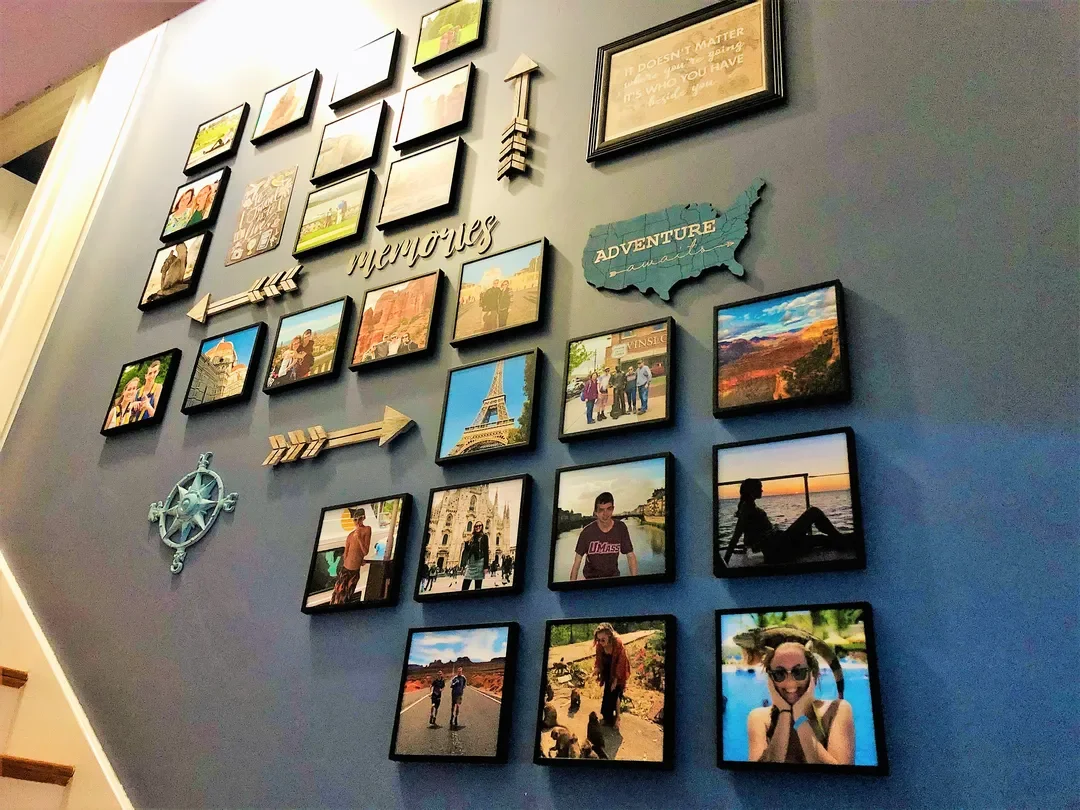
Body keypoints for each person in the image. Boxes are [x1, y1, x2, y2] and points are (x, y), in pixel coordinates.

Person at [746, 641, 855, 764]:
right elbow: (760, 777)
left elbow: (840, 778)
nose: (790, 683)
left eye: (799, 672)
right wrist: (785, 712)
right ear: (770, 678)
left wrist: (799, 716)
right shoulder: (759, 718)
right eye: (779, 674)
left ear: (812, 674)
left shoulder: (836, 710)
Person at [722, 478, 850, 565]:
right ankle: (843, 540)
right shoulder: (747, 508)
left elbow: (749, 534)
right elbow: (737, 534)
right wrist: (725, 561)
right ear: (751, 490)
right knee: (813, 512)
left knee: (820, 539)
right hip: (778, 546)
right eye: (760, 487)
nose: (762, 490)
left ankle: (843, 540)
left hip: (779, 544)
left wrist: (745, 548)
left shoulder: (748, 506)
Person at [569, 492, 638, 580]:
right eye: (601, 510)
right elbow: (576, 563)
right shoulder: (586, 533)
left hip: (613, 579)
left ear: (613, 509)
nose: (605, 514)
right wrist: (571, 589)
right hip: (591, 580)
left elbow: (630, 556)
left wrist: (634, 582)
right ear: (596, 512)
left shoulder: (620, 528)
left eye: (609, 509)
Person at [593, 623, 630, 730]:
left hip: (619, 671)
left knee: (616, 694)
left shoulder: (618, 644)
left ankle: (617, 718)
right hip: (608, 669)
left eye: (602, 639)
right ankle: (607, 717)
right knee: (607, 693)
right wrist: (597, 669)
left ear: (609, 635)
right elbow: (598, 659)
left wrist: (615, 680)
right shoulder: (599, 645)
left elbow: (621, 663)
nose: (600, 642)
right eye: (598, 639)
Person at [330, 507, 371, 605]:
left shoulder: (367, 529)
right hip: (345, 569)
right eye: (355, 519)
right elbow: (346, 554)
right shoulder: (350, 535)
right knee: (337, 594)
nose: (357, 522)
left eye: (359, 519)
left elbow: (365, 551)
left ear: (364, 518)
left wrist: (359, 539)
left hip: (354, 571)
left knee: (347, 597)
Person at [460, 521, 489, 591]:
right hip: (471, 563)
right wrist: (466, 542)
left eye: (479, 525)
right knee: (465, 586)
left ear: (482, 527)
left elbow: (486, 551)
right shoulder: (472, 537)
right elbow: (468, 550)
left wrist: (485, 566)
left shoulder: (484, 536)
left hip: (480, 562)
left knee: (478, 586)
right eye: (476, 526)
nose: (478, 527)